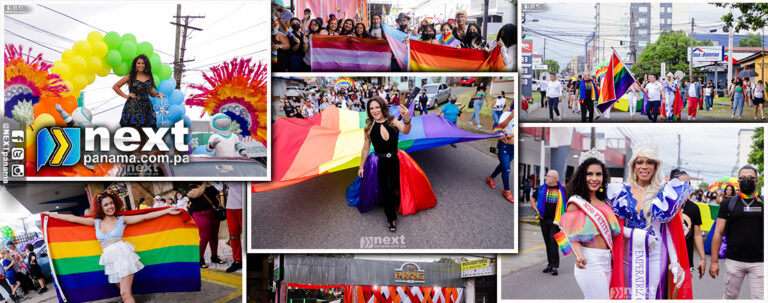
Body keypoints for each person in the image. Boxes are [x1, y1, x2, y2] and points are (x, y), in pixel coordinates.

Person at [45, 191, 181, 303]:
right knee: (125, 295)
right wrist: (51, 215)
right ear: (101, 208)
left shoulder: (122, 220)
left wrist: (166, 211)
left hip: (124, 256)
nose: (110, 206)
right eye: (106, 205)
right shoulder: (96, 222)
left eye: (111, 203)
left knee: (125, 294)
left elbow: (145, 217)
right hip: (110, 260)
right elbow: (74, 219)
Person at [605, 141, 692, 299]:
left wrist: (674, 263)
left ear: (656, 166)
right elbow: (612, 227)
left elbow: (670, 232)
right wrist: (634, 234)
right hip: (626, 256)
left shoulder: (665, 192)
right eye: (640, 162)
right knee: (628, 296)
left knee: (649, 297)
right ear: (633, 165)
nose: (644, 166)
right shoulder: (620, 191)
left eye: (649, 162)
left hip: (655, 255)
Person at [561, 149, 622, 299]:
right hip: (590, 261)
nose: (594, 178)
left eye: (598, 174)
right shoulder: (576, 203)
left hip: (607, 261)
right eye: (589, 174)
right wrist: (579, 256)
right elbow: (572, 236)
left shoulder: (604, 202)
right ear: (582, 176)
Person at [357, 97, 412, 232]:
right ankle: (391, 218)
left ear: (382, 107)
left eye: (377, 107)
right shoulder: (369, 128)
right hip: (380, 163)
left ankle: (400, 203)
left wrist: (407, 119)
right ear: (369, 111)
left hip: (396, 160)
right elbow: (365, 148)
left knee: (397, 186)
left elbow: (406, 130)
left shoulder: (393, 121)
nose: (375, 110)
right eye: (371, 108)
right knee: (386, 190)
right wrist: (361, 166)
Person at [709, 165, 763, 299]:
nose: (747, 180)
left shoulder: (763, 203)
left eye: (750, 178)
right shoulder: (729, 203)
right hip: (734, 261)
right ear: (738, 181)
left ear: (756, 181)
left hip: (760, 262)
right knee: (729, 297)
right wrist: (714, 261)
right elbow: (718, 233)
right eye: (743, 178)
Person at [528, 170, 566, 276]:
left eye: (548, 176)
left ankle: (555, 266)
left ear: (555, 179)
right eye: (546, 176)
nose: (545, 178)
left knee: (553, 242)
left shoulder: (562, 190)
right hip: (544, 219)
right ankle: (549, 264)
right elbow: (532, 199)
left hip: (556, 221)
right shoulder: (541, 188)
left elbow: (568, 204)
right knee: (547, 243)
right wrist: (537, 210)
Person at [113, 54, 164, 129]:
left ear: (146, 65)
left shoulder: (149, 77)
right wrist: (126, 96)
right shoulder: (130, 76)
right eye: (138, 63)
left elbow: (152, 93)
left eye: (143, 63)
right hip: (133, 107)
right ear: (135, 64)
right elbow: (115, 86)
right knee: (133, 132)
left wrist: (158, 94)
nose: (140, 65)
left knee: (145, 133)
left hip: (147, 107)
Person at [674, 169, 706, 281]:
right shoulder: (664, 206)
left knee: (683, 295)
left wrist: (703, 258)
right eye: (683, 183)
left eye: (689, 184)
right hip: (666, 259)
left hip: (686, 260)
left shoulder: (693, 207)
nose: (687, 186)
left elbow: (697, 235)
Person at [187, 182, 225, 268]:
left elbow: (219, 190)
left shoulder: (211, 185)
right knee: (204, 237)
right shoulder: (192, 186)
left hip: (213, 213)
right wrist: (204, 184)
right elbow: (195, 194)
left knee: (214, 236)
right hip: (201, 214)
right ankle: (200, 258)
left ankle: (214, 256)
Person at [485, 102, 515, 202]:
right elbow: (499, 127)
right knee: (506, 169)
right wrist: (511, 117)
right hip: (504, 146)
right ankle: (507, 191)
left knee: (503, 166)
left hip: (514, 148)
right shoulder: (507, 114)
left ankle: (490, 178)